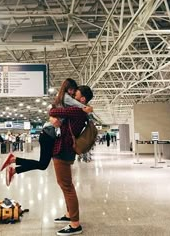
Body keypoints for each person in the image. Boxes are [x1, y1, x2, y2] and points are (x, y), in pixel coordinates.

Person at [0, 78, 92, 186]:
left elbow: (54, 111)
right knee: (43, 164)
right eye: (72, 89)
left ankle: (14, 167)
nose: (73, 93)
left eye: (74, 91)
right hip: (48, 133)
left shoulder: (63, 98)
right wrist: (87, 108)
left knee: (42, 164)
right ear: (67, 89)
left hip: (50, 133)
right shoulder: (66, 98)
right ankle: (13, 162)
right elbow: (57, 110)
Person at [48, 85, 94, 236]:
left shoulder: (77, 109)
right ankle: (69, 215)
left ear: (82, 99)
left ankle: (75, 224)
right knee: (64, 184)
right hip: (65, 149)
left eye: (76, 93)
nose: (72, 94)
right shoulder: (79, 110)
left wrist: (52, 115)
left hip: (63, 149)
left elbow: (53, 110)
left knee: (67, 186)